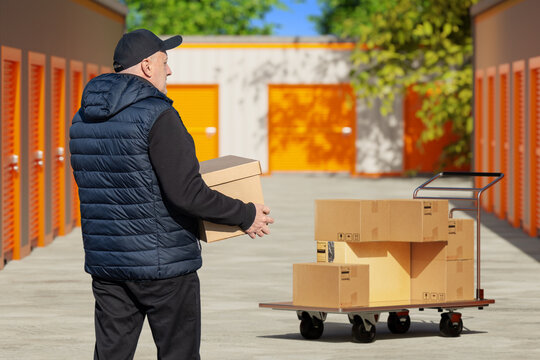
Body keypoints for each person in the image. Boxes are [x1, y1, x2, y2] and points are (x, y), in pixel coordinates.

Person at [69, 29, 274, 360]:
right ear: (148, 66)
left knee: (110, 355)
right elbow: (187, 193)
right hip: (164, 268)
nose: (170, 71)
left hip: (108, 267)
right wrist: (246, 215)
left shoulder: (82, 119)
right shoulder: (158, 115)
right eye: (166, 62)